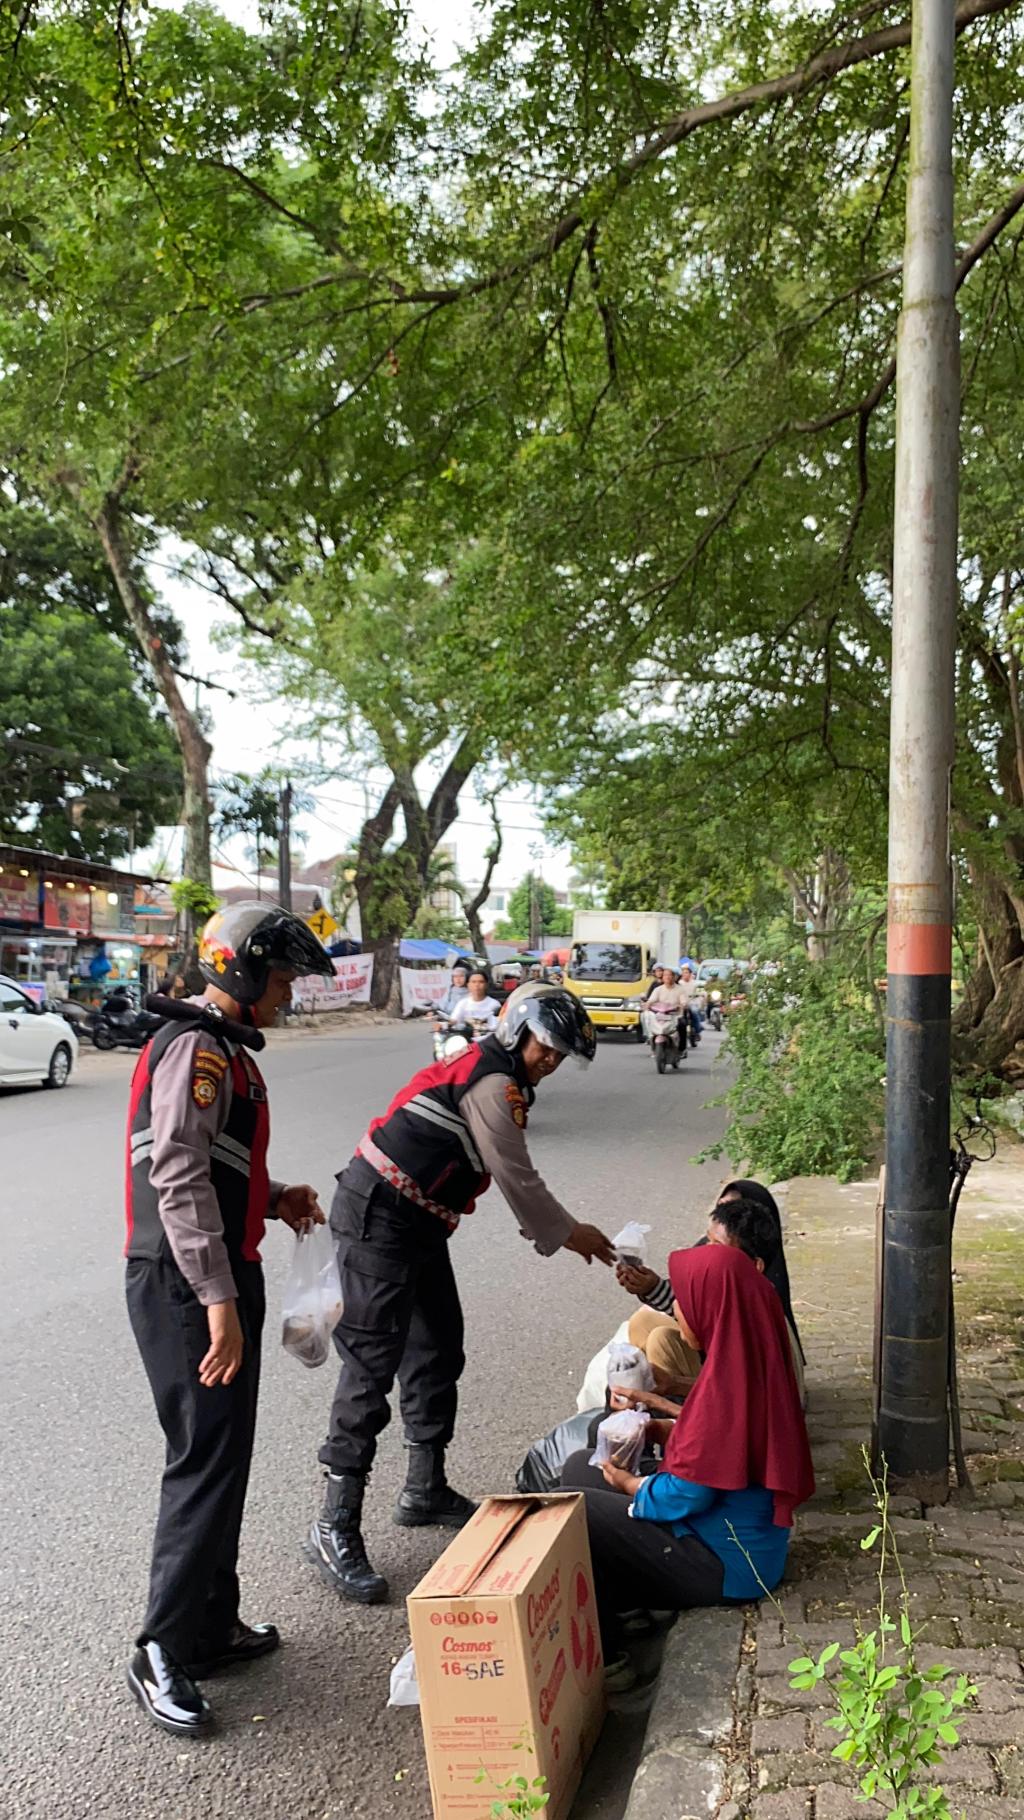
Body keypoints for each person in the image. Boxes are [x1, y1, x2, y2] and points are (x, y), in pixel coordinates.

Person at [306, 988, 617, 1605]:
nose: (547, 1063)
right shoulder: (492, 1086)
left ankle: (424, 1488)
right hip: (380, 1215)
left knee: (438, 1349)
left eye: (558, 1057)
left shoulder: (499, 1079)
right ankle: (333, 1522)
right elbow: (516, 1176)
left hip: (419, 1221)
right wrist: (570, 1233)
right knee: (371, 1368)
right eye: (544, 1048)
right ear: (517, 1031)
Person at [123, 901, 336, 1738]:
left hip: (218, 1268)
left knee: (226, 1455)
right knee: (202, 1459)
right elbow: (175, 1173)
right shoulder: (197, 1049)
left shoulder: (228, 1052)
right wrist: (216, 1299)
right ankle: (160, 1648)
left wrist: (273, 1197)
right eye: (282, 978)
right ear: (242, 971)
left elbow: (215, 1161)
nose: (288, 993)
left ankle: (210, 1625)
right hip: (183, 1282)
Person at [562, 1243, 814, 1687]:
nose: (677, 1312)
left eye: (684, 1302)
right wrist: (658, 1428)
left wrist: (628, 1483)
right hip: (732, 1544)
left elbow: (687, 1492)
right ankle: (630, 1607)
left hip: (723, 1565)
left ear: (711, 1308)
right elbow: (726, 1449)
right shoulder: (745, 1362)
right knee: (584, 1463)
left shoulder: (728, 1385)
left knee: (574, 1506)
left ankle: (612, 1661)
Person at [621, 1194, 806, 1404]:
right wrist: (651, 1287)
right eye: (708, 1241)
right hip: (727, 1385)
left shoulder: (751, 1317)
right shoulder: (741, 1290)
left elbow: (742, 1397)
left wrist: (672, 1387)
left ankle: (672, 1414)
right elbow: (694, 1310)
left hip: (743, 1407)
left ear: (754, 1265)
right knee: (643, 1323)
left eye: (717, 1246)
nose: (706, 1251)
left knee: (662, 1340)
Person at [446, 967, 502, 1034]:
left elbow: (496, 1027)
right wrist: (444, 1025)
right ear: (468, 985)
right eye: (473, 982)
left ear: (486, 985)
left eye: (481, 982)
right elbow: (454, 1019)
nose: (477, 985)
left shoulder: (495, 1004)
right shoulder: (462, 1003)